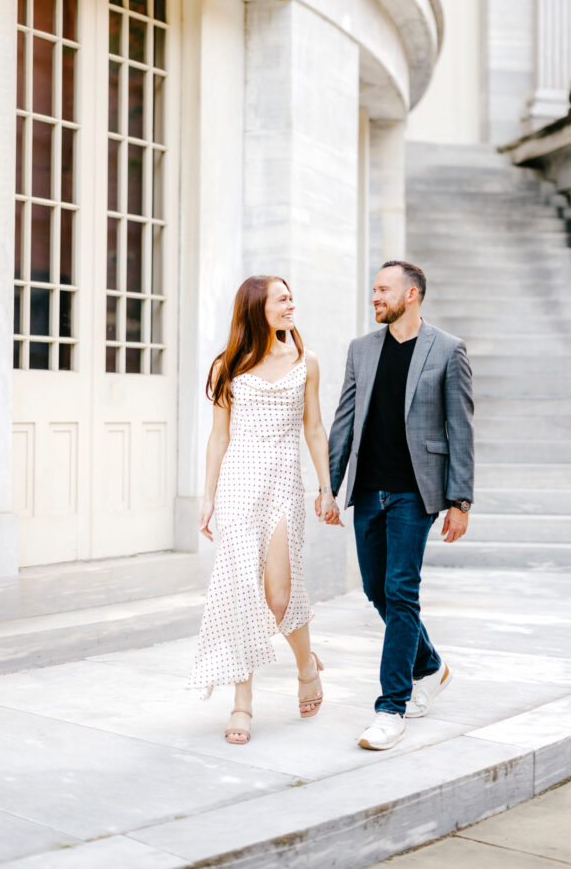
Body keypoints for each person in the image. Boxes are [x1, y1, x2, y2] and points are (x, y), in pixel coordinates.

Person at [322, 260, 474, 751]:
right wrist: (331, 486)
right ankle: (431, 665)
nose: (375, 297)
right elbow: (344, 421)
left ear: (412, 295)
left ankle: (392, 707)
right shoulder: (361, 350)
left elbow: (461, 430)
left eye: (383, 290)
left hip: (416, 491)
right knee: (375, 589)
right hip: (369, 489)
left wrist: (460, 499)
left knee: (401, 590)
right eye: (373, 290)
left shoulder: (448, 350)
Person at [187, 275, 336, 744]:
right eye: (282, 299)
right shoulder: (226, 366)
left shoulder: (305, 362)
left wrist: (325, 487)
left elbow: (313, 429)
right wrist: (208, 497)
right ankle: (242, 703)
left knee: (278, 597)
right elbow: (219, 437)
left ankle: (306, 665)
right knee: (238, 593)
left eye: (292, 296)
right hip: (237, 487)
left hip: (282, 489)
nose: (292, 304)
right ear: (258, 309)